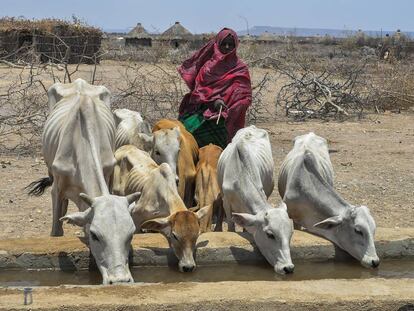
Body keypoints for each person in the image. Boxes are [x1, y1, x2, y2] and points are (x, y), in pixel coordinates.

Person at [178, 28, 252, 149]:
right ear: (217, 44)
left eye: (231, 44)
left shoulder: (240, 68)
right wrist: (214, 101)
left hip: (228, 116)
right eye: (224, 44)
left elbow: (245, 96)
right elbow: (198, 91)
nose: (227, 47)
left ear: (236, 45)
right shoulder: (208, 68)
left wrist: (231, 108)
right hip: (203, 111)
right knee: (184, 135)